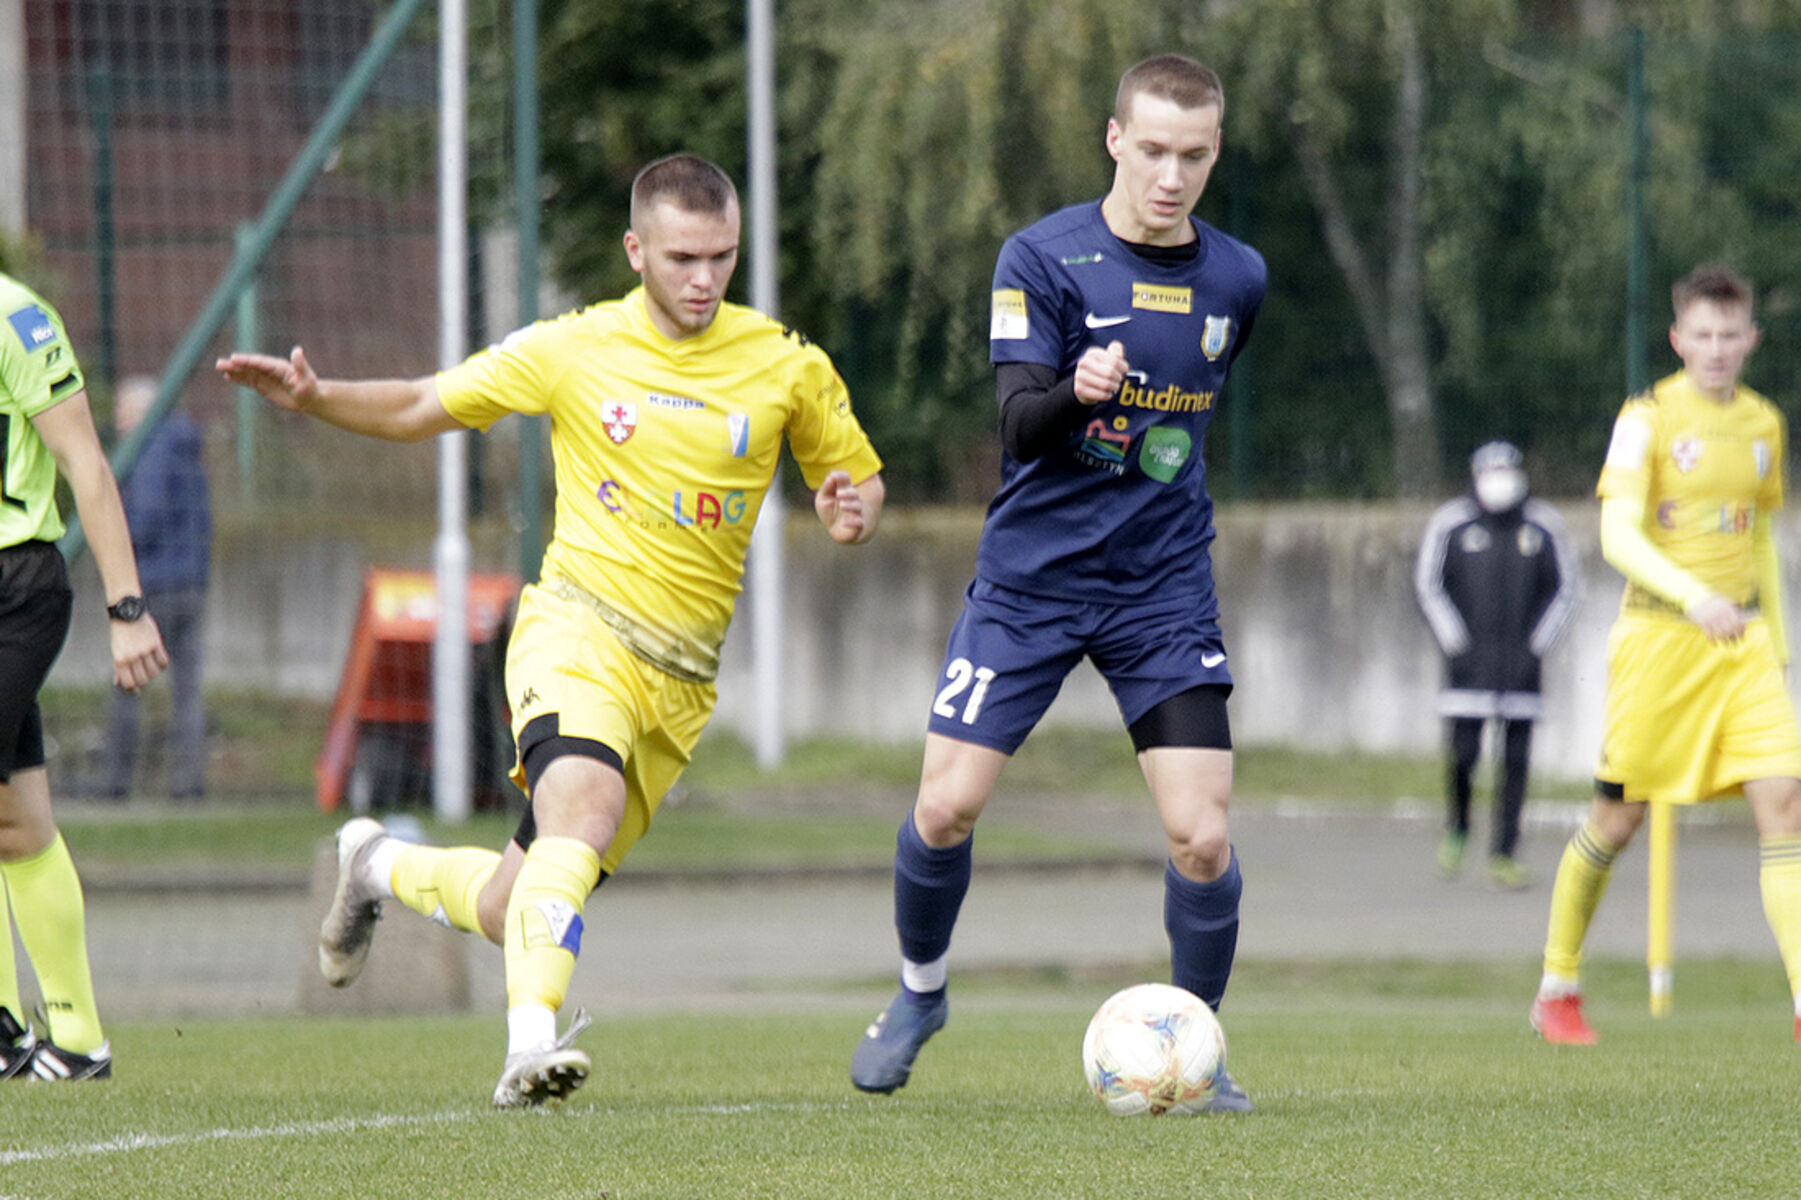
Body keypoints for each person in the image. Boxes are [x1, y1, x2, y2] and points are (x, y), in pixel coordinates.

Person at [217, 153, 885, 1107]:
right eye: (682, 257)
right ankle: (529, 1046)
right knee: (583, 808)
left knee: (509, 905)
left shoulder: (785, 363)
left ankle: (372, 862)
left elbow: (855, 481)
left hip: (681, 686)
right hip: (576, 629)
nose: (703, 280)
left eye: (721, 258)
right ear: (635, 250)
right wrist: (316, 398)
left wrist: (850, 508)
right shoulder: (574, 347)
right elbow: (419, 401)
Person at [848, 54, 1264, 1110]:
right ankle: (918, 993)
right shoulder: (1041, 257)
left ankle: (1194, 1050)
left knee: (1202, 834)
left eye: (1195, 154)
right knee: (944, 807)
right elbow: (1018, 425)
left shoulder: (1237, 277)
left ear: (1215, 153)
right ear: (1115, 139)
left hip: (1161, 588)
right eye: (1155, 149)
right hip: (1030, 584)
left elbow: (1193, 406)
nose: (1172, 175)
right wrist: (1076, 391)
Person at [1530, 264, 1801, 1045]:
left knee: (1783, 801)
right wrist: (1692, 598)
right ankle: (1556, 986)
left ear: (1750, 339)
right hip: (1658, 642)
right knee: (1618, 818)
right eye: (1702, 336)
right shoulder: (1645, 417)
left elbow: (1756, 536)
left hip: (1742, 648)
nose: (1716, 349)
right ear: (1679, 339)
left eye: (1730, 336)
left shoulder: (1762, 425)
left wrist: (1775, 643)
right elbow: (1617, 534)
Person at [0, 271, 169, 1081]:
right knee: (17, 823)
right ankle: (75, 1041)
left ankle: (1, 1030)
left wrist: (127, 607)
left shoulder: (19, 319)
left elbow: (85, 464)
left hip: (14, 592)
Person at [1414, 440, 1578, 889]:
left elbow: (1564, 590)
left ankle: (1505, 850)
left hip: (1522, 671)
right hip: (1467, 670)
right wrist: (1456, 643)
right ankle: (1459, 826)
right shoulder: (1452, 523)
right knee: (1464, 755)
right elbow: (1429, 586)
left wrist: (1536, 647)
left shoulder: (1543, 526)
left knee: (1516, 762)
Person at [98, 374, 212, 800]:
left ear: (143, 413)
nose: (118, 421)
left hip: (154, 584)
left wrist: (109, 535)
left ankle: (115, 780)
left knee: (127, 681)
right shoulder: (187, 446)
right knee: (187, 689)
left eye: (123, 412)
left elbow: (144, 518)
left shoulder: (152, 448)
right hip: (191, 582)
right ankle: (189, 782)